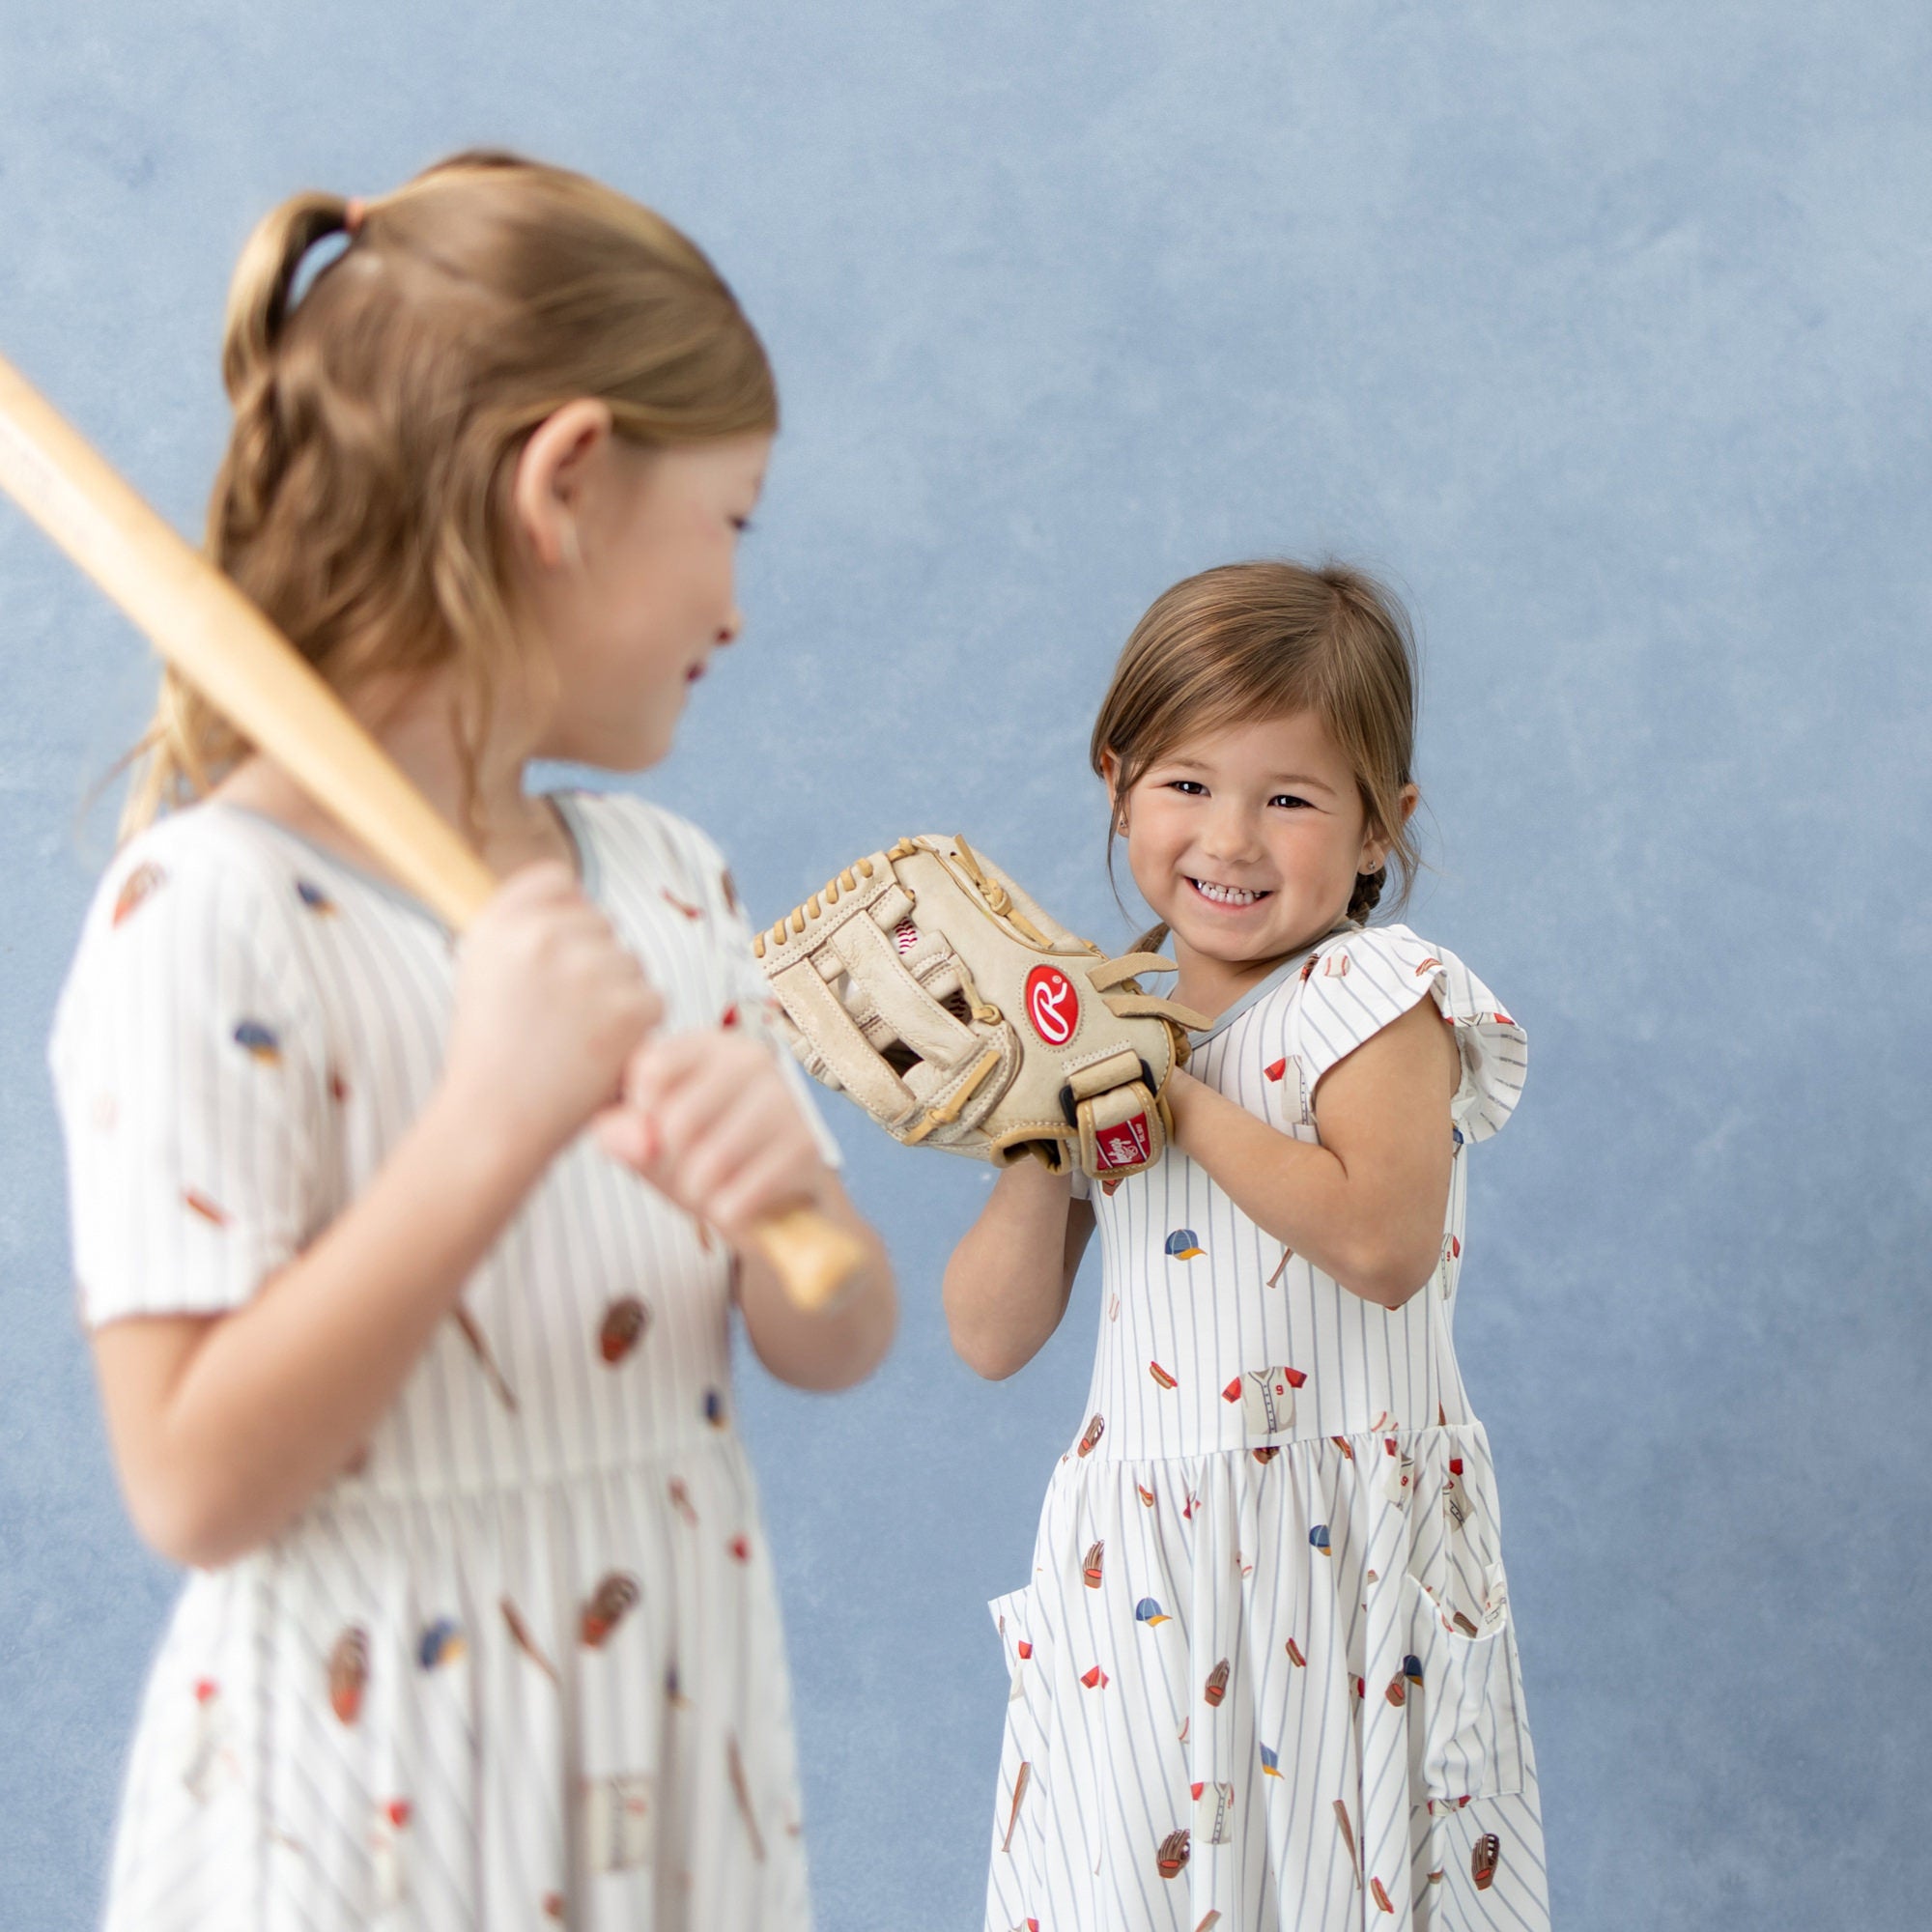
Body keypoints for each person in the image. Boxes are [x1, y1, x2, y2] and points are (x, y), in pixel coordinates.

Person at [46, 151, 895, 1931]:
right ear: (569, 479)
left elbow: (833, 1333)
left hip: (665, 1760)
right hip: (362, 1821)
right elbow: (192, 1481)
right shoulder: (207, 915)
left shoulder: (662, 885)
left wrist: (783, 1224)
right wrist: (487, 1124)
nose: (738, 607)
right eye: (729, 524)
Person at [945, 561, 1548, 1930]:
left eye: (1289, 798)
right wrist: (1039, 1139)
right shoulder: (1116, 1025)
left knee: (1343, 1883)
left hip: (1335, 1555)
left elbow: (1383, 1243)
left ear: (1382, 828)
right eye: (1185, 784)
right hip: (1147, 1571)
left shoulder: (1373, 998)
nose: (1229, 838)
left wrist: (1175, 1102)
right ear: (1116, 783)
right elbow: (987, 1335)